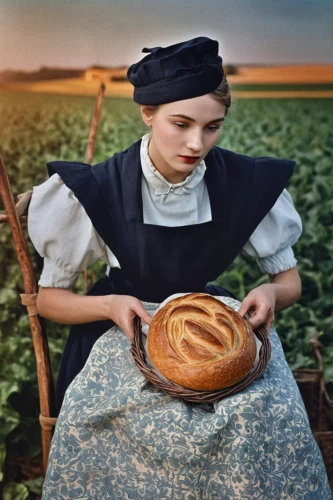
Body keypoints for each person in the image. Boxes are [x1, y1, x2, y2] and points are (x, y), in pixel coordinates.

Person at [28, 37, 331, 498]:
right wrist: (109, 304)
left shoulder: (242, 183)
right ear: (148, 114)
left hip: (214, 335)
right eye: (181, 123)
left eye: (213, 127)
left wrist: (271, 295)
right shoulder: (99, 188)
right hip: (123, 335)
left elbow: (288, 282)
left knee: (266, 418)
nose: (197, 143)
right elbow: (49, 300)